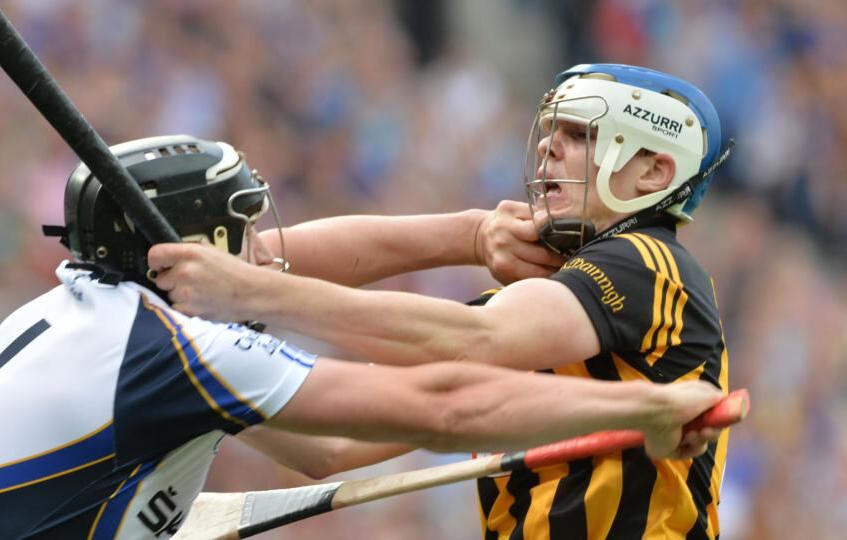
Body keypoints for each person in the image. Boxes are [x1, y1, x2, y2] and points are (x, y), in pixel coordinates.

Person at [0, 134, 724, 540]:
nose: (270, 251)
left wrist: (469, 236)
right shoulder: (171, 353)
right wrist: (647, 405)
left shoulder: (79, 315)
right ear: (200, 246)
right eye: (246, 230)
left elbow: (326, 441)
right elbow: (441, 402)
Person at [148, 64, 736, 539]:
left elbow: (473, 338)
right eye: (551, 132)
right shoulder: (533, 308)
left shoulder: (653, 266)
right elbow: (330, 444)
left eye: (580, 135)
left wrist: (251, 292)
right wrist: (200, 360)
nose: (547, 151)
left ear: (655, 173)